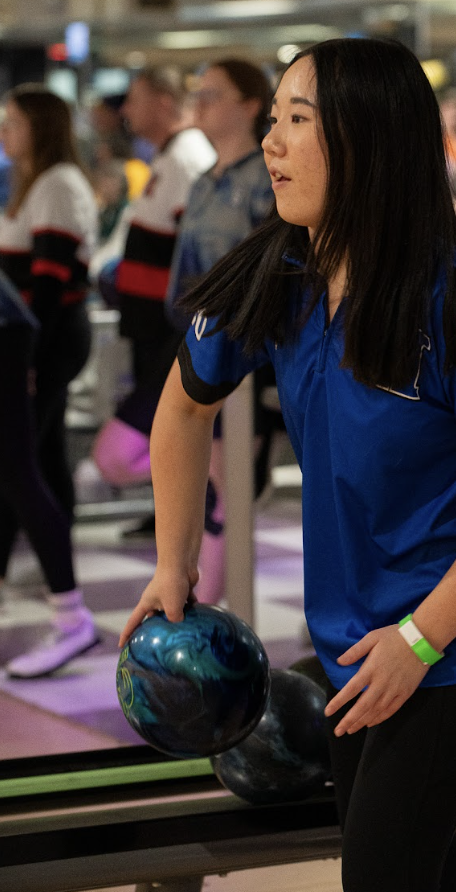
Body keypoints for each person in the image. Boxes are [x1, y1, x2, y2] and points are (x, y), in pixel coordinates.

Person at [120, 38, 456, 892]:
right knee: (412, 854)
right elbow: (182, 409)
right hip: (346, 632)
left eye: (298, 120)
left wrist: (418, 640)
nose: (271, 143)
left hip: (454, 641)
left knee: (379, 871)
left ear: (367, 142)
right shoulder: (279, 272)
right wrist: (172, 563)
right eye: (273, 119)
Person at [165, 58, 274, 603]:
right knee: (212, 477)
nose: (201, 103)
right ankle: (202, 599)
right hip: (197, 342)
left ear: (250, 106)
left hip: (248, 355)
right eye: (198, 93)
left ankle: (208, 606)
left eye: (213, 94)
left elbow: (275, 271)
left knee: (229, 485)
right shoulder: (206, 181)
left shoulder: (265, 178)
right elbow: (185, 272)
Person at [0, 87, 99, 677]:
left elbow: (46, 285)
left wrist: (32, 359)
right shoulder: (32, 184)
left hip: (30, 339)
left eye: (13, 122)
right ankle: (68, 613)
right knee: (22, 468)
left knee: (19, 471)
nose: (5, 132)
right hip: (24, 337)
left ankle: (70, 616)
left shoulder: (58, 183)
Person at [90, 68, 215, 522]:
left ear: (165, 101)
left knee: (139, 450)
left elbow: (199, 256)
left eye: (135, 98)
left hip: (172, 337)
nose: (125, 110)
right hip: (155, 331)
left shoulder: (188, 158)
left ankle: (215, 488)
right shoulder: (167, 157)